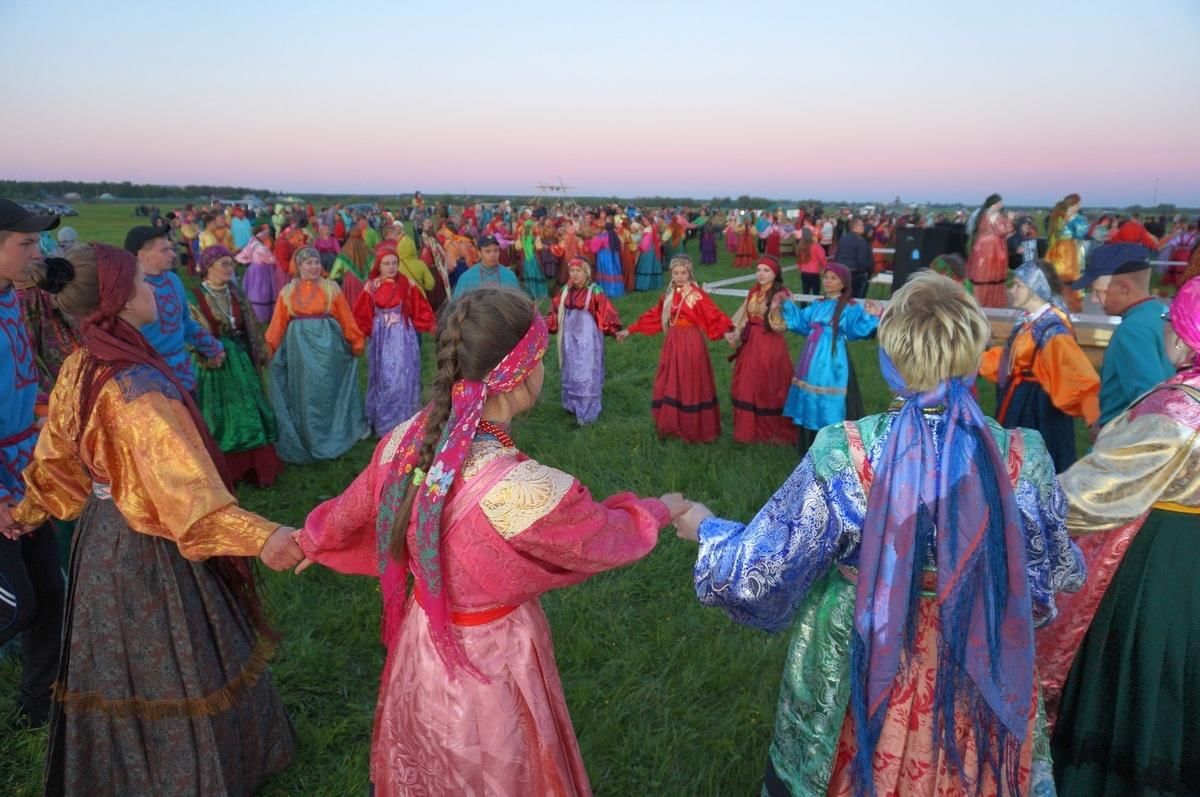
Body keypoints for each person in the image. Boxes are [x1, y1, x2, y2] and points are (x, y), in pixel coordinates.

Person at [677, 271, 1085, 797]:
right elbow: (1053, 569)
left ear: (891, 356)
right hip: (979, 652)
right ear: (969, 349)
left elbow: (764, 567)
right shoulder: (1023, 455)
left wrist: (708, 530)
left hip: (861, 649)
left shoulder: (846, 451)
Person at [295, 288, 685, 796]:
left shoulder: (405, 441)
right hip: (493, 657)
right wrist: (662, 507)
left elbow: (350, 511)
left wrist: (310, 539)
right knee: (499, 766)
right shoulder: (524, 489)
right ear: (521, 375)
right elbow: (605, 536)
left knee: (430, 759)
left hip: (423, 641)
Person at [6, 242, 300, 795]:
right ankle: (182, 775)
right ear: (117, 300)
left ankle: (118, 772)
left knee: (117, 662)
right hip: (148, 546)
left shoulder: (80, 364)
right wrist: (268, 538)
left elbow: (56, 467)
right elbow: (190, 504)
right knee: (175, 655)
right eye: (140, 281)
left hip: (100, 543)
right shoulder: (138, 393)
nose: (153, 292)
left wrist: (24, 512)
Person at [1048, 276, 1200, 796]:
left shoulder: (1178, 410)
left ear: (1183, 338)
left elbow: (1096, 488)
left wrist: (1023, 500)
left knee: (1147, 666)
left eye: (1170, 323)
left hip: (1164, 559)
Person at [0, 199, 65, 728]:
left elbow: (24, 384)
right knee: (14, 605)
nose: (37, 252)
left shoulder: (10, 300)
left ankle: (37, 704)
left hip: (27, 474)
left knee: (48, 592)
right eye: (25, 243)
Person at [979, 260, 1099, 472]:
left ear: (1035, 291)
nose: (1011, 290)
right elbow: (1011, 362)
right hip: (1020, 401)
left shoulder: (1052, 330)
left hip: (1039, 412)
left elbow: (1078, 375)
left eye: (1018, 285)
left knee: (1033, 468)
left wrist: (1094, 418)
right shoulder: (1029, 323)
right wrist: (974, 360)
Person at [190, 246, 283, 487]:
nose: (230, 269)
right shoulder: (195, 297)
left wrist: (259, 352)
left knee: (250, 409)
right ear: (208, 267)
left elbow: (250, 324)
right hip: (212, 362)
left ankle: (255, 466)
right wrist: (208, 353)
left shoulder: (236, 293)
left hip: (240, 360)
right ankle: (226, 469)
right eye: (224, 264)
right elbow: (190, 333)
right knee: (218, 414)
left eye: (231, 264)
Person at [265, 246, 368, 463]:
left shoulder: (331, 288)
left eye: (316, 263)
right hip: (299, 349)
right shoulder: (288, 291)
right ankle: (308, 435)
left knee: (327, 387)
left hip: (328, 346)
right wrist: (269, 347)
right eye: (308, 263)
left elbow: (345, 316)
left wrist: (356, 341)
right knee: (305, 391)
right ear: (299, 266)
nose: (313, 267)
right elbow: (277, 323)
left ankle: (333, 431)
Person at [617, 255, 733, 443]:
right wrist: (630, 330)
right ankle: (672, 422)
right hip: (673, 340)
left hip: (691, 341)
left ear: (689, 273)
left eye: (683, 273)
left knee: (690, 378)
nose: (679, 277)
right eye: (676, 273)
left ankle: (693, 425)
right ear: (671, 273)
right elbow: (654, 315)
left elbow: (712, 314)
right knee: (672, 377)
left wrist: (727, 331)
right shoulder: (669, 294)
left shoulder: (695, 295)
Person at [780, 262, 883, 457]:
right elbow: (802, 324)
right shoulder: (819, 304)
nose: (827, 281)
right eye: (826, 277)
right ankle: (808, 440)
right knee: (809, 393)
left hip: (832, 359)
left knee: (829, 397)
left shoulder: (850, 307)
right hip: (811, 357)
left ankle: (833, 444)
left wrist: (873, 317)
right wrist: (788, 306)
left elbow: (857, 330)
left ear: (844, 283)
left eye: (833, 278)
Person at [1073, 243, 1175, 429]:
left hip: (1125, 441)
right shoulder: (1164, 313)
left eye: (1099, 292)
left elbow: (1149, 399)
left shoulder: (1131, 330)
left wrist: (1108, 428)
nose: (1095, 300)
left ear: (1124, 288)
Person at [125, 225, 224, 393]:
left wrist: (213, 347)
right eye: (164, 250)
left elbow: (185, 323)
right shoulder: (128, 289)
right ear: (142, 255)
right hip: (147, 380)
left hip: (183, 376)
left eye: (171, 249)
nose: (173, 254)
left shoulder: (173, 280)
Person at [353, 243, 435, 436]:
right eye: (386, 263)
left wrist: (429, 325)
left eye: (394, 263)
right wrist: (358, 335)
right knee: (383, 379)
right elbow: (362, 314)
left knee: (401, 377)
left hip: (402, 338)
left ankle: (403, 419)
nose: (391, 267)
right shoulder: (371, 287)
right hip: (381, 338)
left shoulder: (407, 285)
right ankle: (382, 422)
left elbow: (420, 308)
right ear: (379, 266)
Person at [725, 256, 796, 445]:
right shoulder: (754, 292)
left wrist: (775, 312)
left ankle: (771, 430)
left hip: (771, 343)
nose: (761, 274)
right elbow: (744, 316)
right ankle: (748, 430)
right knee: (748, 382)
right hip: (752, 343)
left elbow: (789, 322)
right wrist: (735, 333)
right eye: (758, 270)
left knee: (769, 382)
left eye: (766, 270)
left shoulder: (783, 294)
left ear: (775, 274)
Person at [546, 257, 623, 426]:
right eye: (572, 271)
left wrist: (613, 330)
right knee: (571, 368)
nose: (574, 274)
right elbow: (555, 310)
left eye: (578, 271)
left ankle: (587, 412)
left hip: (588, 338)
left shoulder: (594, 291)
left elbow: (606, 312)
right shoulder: (566, 290)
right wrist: (545, 324)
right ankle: (571, 404)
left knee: (586, 371)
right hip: (569, 337)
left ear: (586, 272)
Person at [966, 194, 1015, 308]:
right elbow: (1002, 231)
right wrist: (1010, 219)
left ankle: (979, 300)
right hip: (992, 249)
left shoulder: (981, 214)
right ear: (995, 204)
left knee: (982, 274)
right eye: (1000, 203)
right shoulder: (996, 215)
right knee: (991, 275)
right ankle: (991, 301)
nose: (1002, 205)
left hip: (981, 247)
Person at [1046, 193, 1089, 312]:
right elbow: (1081, 234)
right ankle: (1071, 305)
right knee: (1072, 276)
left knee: (1056, 275)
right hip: (1070, 249)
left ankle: (1055, 303)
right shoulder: (1078, 219)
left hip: (1056, 249)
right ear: (1074, 204)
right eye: (1079, 203)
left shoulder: (1057, 216)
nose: (1080, 206)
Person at [234, 225, 279, 323]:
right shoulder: (261, 248)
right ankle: (262, 315)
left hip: (253, 269)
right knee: (262, 292)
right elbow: (272, 260)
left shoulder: (252, 242)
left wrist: (250, 260)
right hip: (262, 271)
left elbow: (240, 256)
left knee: (253, 290)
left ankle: (253, 312)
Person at [451, 235, 520, 298]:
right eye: (488, 251)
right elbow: (457, 305)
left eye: (496, 250)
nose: (492, 255)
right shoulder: (466, 278)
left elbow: (517, 302)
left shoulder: (509, 275)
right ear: (479, 253)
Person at [590, 222, 625, 298]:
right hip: (614, 255)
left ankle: (606, 291)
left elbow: (594, 247)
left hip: (604, 256)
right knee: (614, 272)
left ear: (605, 228)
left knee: (605, 272)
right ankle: (616, 291)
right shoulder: (616, 236)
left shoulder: (602, 236)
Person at [792, 226, 825, 295]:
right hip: (814, 272)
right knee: (816, 293)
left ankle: (803, 305)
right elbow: (822, 258)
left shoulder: (800, 246)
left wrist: (801, 268)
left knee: (805, 292)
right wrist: (823, 267)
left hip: (804, 272)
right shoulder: (816, 246)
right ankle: (816, 306)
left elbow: (799, 260)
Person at [635, 220, 663, 291]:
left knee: (646, 266)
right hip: (653, 249)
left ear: (648, 220)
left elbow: (645, 242)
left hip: (647, 250)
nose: (644, 222)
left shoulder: (648, 229)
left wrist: (639, 246)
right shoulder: (654, 227)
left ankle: (644, 285)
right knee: (653, 266)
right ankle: (655, 284)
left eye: (645, 220)